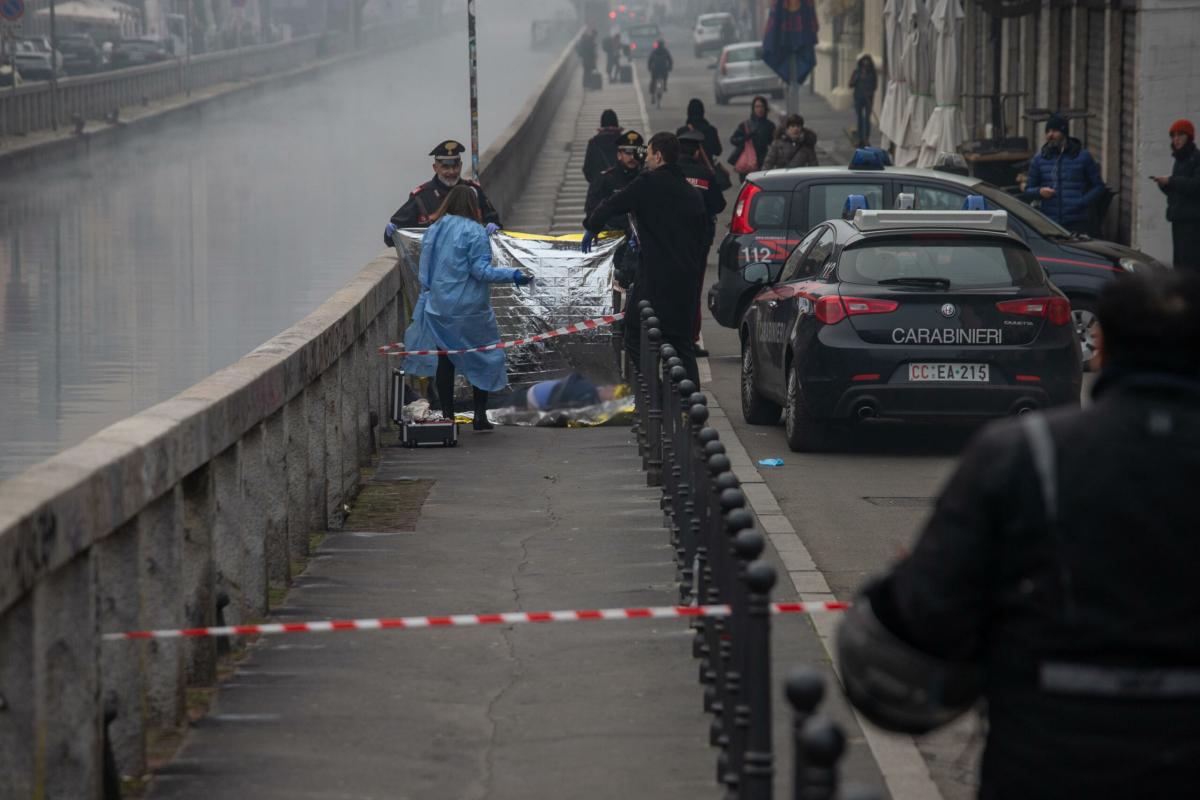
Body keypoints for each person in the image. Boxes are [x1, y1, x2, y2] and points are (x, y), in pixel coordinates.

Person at [839, 269, 1200, 798]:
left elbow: (922, 625)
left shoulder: (1024, 455)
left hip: (1051, 762)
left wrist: (906, 582)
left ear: (1101, 347)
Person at [401, 185, 533, 431]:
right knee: (481, 356)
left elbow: (424, 273)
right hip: (471, 308)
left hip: (439, 307)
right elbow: (480, 272)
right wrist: (513, 274)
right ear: (473, 206)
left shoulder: (434, 229)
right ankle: (480, 417)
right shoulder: (476, 231)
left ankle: (448, 417)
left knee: (445, 360)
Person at [582, 132, 707, 386]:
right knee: (680, 345)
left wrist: (592, 225)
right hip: (686, 281)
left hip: (654, 278)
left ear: (658, 156)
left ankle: (655, 395)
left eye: (648, 153)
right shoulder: (692, 194)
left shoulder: (648, 183)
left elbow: (614, 203)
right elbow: (703, 238)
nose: (645, 158)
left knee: (635, 336)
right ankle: (687, 407)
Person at [384, 140, 501, 246]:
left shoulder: (473, 191)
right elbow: (393, 236)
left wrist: (494, 227)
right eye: (446, 167)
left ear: (460, 166)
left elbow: (495, 223)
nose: (451, 172)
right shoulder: (421, 197)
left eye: (455, 167)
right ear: (435, 167)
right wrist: (390, 233)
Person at [678, 129, 727, 355]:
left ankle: (670, 337)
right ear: (697, 151)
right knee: (693, 289)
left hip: (671, 240)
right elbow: (719, 205)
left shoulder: (671, 173)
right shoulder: (704, 176)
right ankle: (690, 338)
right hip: (699, 241)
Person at [1019, 113, 1106, 235]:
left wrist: (1082, 201)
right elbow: (1028, 191)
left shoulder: (1083, 157)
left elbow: (1099, 187)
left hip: (1077, 221)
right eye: (1048, 131)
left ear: (1064, 132)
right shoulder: (1039, 159)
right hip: (1050, 222)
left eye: (1054, 131)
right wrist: (1039, 192)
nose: (1050, 135)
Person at [1152, 119, 1200, 271]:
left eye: (1180, 135)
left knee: (1190, 266)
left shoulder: (1196, 158)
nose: (1176, 139)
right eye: (1173, 136)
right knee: (1179, 264)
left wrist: (1171, 181)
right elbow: (1179, 192)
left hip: (1192, 222)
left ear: (1189, 137)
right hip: (1178, 220)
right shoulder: (1179, 160)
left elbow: (1196, 186)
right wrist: (1164, 185)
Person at [728, 96, 776, 182]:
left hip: (763, 163)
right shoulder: (746, 125)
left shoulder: (770, 125)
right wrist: (747, 136)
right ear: (753, 108)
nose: (759, 109)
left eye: (761, 106)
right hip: (747, 164)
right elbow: (733, 140)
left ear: (765, 108)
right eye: (757, 106)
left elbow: (774, 143)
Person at [583, 109, 624, 185]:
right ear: (616, 123)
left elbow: (587, 169)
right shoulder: (624, 142)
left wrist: (596, 181)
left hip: (599, 189)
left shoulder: (593, 142)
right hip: (620, 188)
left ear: (602, 124)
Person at [677, 98, 722, 162]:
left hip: (685, 169)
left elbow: (676, 152)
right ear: (702, 112)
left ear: (688, 112)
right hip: (705, 168)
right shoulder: (711, 130)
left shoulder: (682, 131)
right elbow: (718, 151)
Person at [849, 54, 877, 147]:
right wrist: (856, 79)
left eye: (867, 64)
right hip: (858, 98)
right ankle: (860, 138)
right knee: (860, 119)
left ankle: (866, 138)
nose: (865, 66)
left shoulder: (872, 73)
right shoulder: (857, 72)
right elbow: (850, 84)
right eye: (864, 64)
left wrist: (869, 93)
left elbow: (875, 86)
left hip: (868, 99)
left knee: (867, 119)